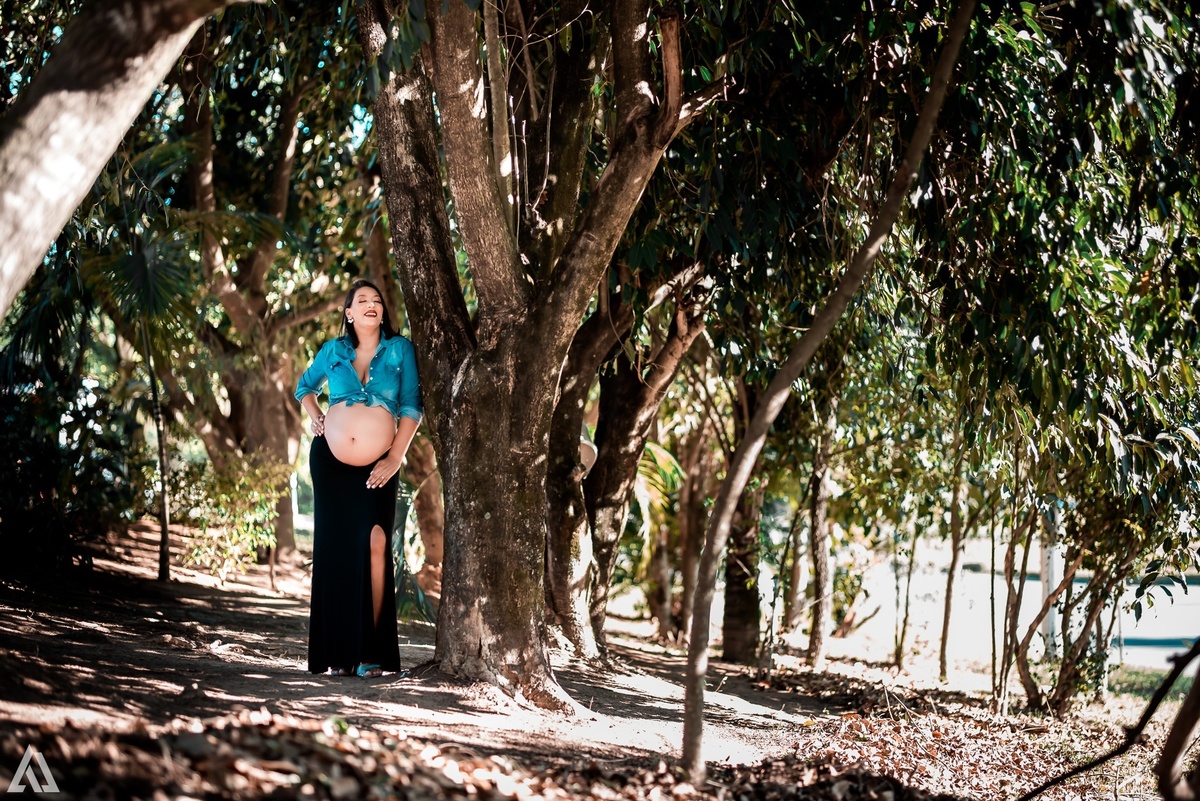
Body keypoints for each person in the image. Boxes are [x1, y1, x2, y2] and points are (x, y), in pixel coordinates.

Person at [295, 278, 422, 678]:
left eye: (377, 300)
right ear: (348, 313)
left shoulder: (400, 349)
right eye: (361, 300)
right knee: (334, 550)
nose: (371, 304)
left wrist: (395, 457)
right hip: (330, 464)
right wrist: (316, 414)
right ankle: (340, 655)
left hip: (378, 465)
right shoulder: (333, 351)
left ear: (382, 311)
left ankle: (373, 650)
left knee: (376, 543)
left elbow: (412, 406)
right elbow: (304, 386)